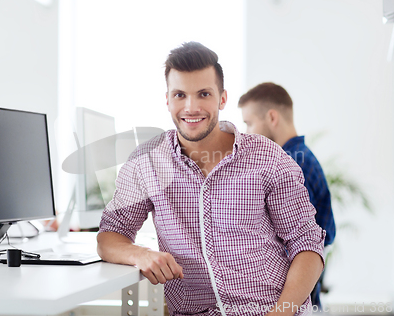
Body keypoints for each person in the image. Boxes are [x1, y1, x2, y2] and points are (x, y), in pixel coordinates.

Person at [97, 42, 325, 316]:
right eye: (180, 94)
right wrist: (140, 254)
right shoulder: (146, 162)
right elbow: (109, 236)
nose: (191, 107)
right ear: (167, 99)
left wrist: (281, 313)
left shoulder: (268, 157)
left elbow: (307, 243)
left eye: (204, 94)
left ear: (222, 98)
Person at [238, 82, 336, 308]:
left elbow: (301, 242)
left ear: (272, 118)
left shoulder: (290, 165)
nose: (246, 133)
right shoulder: (301, 157)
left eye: (249, 123)